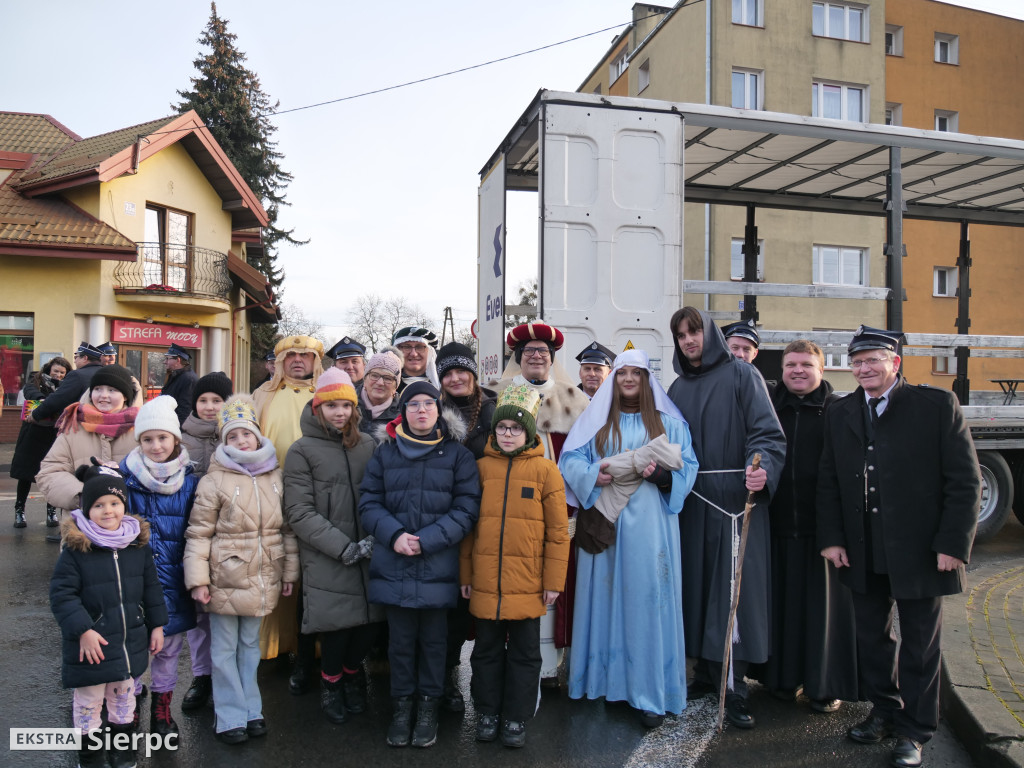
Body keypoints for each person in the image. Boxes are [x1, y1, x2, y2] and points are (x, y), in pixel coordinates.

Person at [817, 326, 981, 768]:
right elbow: (829, 478)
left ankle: (915, 730)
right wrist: (832, 538)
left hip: (922, 549)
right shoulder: (840, 409)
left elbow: (964, 482)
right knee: (871, 638)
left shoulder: (935, 406)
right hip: (862, 547)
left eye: (872, 360)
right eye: (857, 362)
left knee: (920, 644)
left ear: (895, 363)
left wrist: (953, 544)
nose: (864, 369)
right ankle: (885, 711)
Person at [560, 349, 698, 728]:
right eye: (623, 373)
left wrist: (662, 477)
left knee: (645, 601)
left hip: (651, 526)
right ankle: (603, 682)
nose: (629, 380)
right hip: (606, 518)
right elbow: (569, 460)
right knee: (603, 597)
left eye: (637, 373)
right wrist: (593, 475)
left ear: (647, 379)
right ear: (615, 379)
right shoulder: (596, 419)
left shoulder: (670, 422)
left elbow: (689, 466)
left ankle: (647, 691)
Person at [667, 307, 785, 729]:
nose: (688, 341)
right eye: (681, 335)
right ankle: (705, 672)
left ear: (709, 334)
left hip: (735, 502)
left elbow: (766, 433)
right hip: (694, 502)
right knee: (697, 590)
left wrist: (760, 465)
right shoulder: (678, 387)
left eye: (694, 331)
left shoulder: (741, 375)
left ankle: (734, 687)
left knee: (731, 596)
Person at [359, 382, 480, 749]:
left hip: (437, 565)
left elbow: (466, 508)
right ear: (404, 410)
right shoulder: (386, 453)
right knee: (399, 643)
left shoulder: (457, 456)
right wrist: (394, 535)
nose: (422, 411)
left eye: (429, 403)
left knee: (434, 644)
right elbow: (369, 502)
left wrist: (427, 540)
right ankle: (402, 707)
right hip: (394, 562)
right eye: (414, 404)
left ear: (438, 409)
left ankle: (427, 709)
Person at [185, 394, 299, 745]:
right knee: (222, 648)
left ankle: (252, 709)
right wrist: (198, 580)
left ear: (257, 434)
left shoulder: (275, 476)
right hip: (224, 578)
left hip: (263, 577)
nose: (240, 441)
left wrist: (289, 572)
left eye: (245, 434)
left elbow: (287, 530)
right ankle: (230, 714)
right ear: (223, 441)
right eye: (231, 436)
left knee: (249, 645)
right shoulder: (213, 481)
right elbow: (199, 534)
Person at [461, 384, 570, 747]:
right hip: (486, 581)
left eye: (516, 429)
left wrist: (554, 580)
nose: (508, 435)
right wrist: (466, 575)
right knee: (486, 653)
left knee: (525, 655)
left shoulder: (546, 472)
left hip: (528, 582)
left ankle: (516, 718)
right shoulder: (478, 470)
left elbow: (557, 533)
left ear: (528, 432)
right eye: (502, 428)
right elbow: (468, 531)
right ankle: (488, 712)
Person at [756, 340, 858, 712]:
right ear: (781, 370)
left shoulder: (839, 410)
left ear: (821, 370)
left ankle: (823, 685)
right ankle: (780, 680)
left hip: (824, 532)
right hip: (777, 526)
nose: (798, 371)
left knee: (822, 615)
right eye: (790, 365)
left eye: (805, 365)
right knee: (782, 609)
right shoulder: (768, 409)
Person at [50, 463, 167, 768]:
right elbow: (62, 596)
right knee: (89, 704)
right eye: (99, 505)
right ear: (87, 509)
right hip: (93, 646)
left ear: (124, 506)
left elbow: (151, 588)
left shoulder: (136, 545)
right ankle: (90, 758)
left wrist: (157, 626)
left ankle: (123, 752)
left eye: (115, 503)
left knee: (124, 701)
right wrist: (83, 630)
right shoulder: (77, 549)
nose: (108, 511)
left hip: (129, 644)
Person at [492, 322, 588, 685]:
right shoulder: (500, 395)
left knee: (552, 581)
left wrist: (573, 508)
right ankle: (509, 659)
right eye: (529, 352)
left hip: (559, 507)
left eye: (542, 352)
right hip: (512, 507)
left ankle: (548, 666)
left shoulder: (573, 400)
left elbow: (582, 457)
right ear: (519, 357)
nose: (535, 356)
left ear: (551, 359)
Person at [284, 368, 382, 724]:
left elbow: (380, 495)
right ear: (317, 409)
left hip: (370, 550)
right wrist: (343, 548)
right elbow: (298, 510)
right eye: (331, 406)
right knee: (337, 629)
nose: (339, 413)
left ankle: (353, 674)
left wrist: (375, 536)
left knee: (369, 626)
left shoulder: (368, 445)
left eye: (345, 405)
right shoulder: (302, 451)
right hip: (328, 554)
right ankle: (332, 683)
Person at [119, 395, 200, 736]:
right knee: (135, 648)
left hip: (176, 577)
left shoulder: (190, 481)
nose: (155, 446)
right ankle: (130, 703)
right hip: (135, 582)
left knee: (168, 651)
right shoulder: (125, 479)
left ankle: (162, 710)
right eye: (147, 439)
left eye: (162, 438)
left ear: (175, 440)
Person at [251, 335, 324, 666]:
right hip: (271, 497)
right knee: (276, 572)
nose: (298, 360)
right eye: (291, 355)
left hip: (317, 500)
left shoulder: (326, 394)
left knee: (314, 576)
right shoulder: (262, 395)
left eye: (305, 355)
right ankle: (274, 644)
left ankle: (313, 649)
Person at [436, 341, 497, 710]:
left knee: (471, 602)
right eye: (448, 372)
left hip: (483, 520)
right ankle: (444, 679)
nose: (456, 378)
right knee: (444, 606)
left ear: (473, 374)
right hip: (440, 518)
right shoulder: (429, 408)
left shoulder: (493, 411)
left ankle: (478, 686)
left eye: (462, 371)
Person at [178, 371, 233, 714]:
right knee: (197, 612)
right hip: (191, 534)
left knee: (226, 610)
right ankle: (202, 676)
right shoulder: (180, 438)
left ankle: (229, 676)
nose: (210, 407)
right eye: (204, 400)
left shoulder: (240, 436)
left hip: (229, 537)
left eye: (217, 400)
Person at [37, 364, 140, 540]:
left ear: (125, 396)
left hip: (130, 532)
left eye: (112, 390)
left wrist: (119, 497)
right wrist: (85, 496)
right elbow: (49, 473)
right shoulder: (73, 426)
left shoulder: (142, 431)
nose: (104, 395)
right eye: (98, 389)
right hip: (80, 534)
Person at [11, 356, 70, 528]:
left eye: (62, 372)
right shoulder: (36, 379)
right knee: (25, 475)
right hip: (32, 436)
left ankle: (51, 512)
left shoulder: (67, 386)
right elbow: (29, 391)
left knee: (52, 476)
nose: (58, 375)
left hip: (54, 437)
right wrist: (43, 400)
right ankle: (19, 511)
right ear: (49, 370)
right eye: (56, 371)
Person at [24, 343, 103, 426]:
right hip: (101, 424)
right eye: (55, 371)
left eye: (76, 357)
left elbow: (58, 399)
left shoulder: (77, 375)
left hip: (80, 425)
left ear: (85, 358)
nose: (74, 361)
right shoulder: (105, 373)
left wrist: (36, 414)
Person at [356, 348, 404, 442]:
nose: (380, 382)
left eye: (388, 378)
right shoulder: (346, 405)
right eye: (374, 375)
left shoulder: (403, 416)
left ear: (396, 387)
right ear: (365, 379)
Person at [392, 326, 439, 392]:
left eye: (419, 347)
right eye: (407, 347)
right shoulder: (388, 386)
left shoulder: (444, 386)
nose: (414, 354)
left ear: (430, 352)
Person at [162, 344, 198, 426]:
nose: (165, 362)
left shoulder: (189, 379)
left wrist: (177, 433)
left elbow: (185, 411)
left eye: (168, 358)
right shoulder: (176, 376)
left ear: (178, 360)